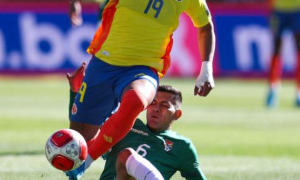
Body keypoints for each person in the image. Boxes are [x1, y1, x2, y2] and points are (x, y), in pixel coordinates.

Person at [64, 0, 215, 178]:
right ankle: (79, 164)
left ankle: (88, 160)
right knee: (77, 141)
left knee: (136, 101)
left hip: (144, 68)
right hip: (104, 63)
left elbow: (205, 26)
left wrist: (206, 68)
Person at [66, 63, 206, 180]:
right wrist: (75, 92)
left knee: (127, 155)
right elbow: (84, 131)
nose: (156, 109)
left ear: (177, 114)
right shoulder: (123, 127)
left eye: (164, 106)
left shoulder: (182, 146)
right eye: (153, 103)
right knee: (126, 155)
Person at [250, 0, 300, 108]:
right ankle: (273, 90)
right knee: (277, 49)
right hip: (279, 7)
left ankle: (298, 94)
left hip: (299, 8)